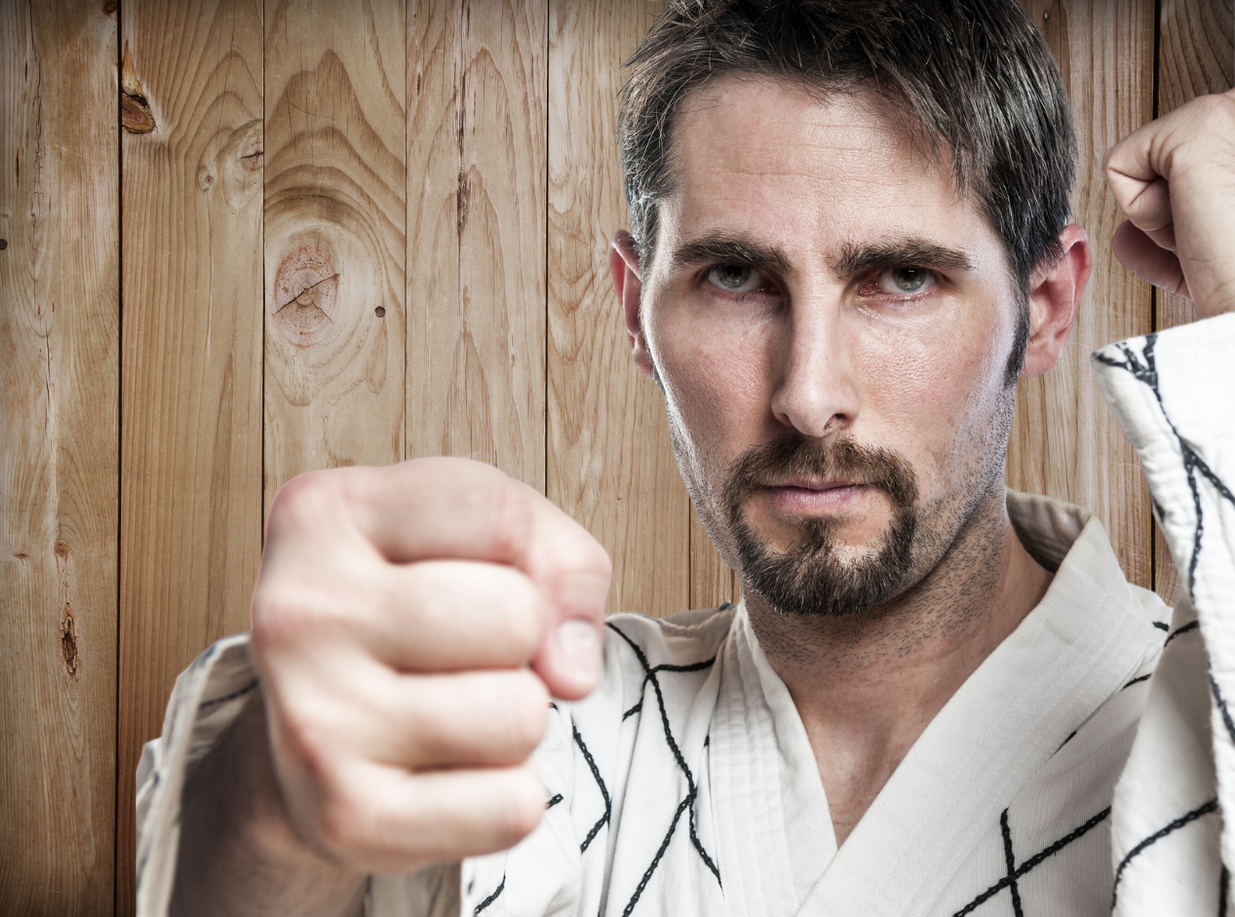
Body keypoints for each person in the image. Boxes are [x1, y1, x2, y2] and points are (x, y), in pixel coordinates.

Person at [136, 2, 1235, 915]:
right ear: (632, 308)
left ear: (1042, 310)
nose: (808, 392)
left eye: (899, 279)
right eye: (733, 278)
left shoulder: (1195, 718)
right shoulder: (537, 721)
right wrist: (272, 803)